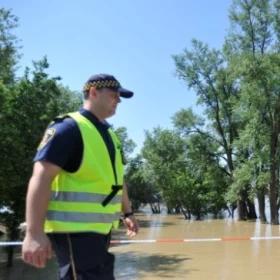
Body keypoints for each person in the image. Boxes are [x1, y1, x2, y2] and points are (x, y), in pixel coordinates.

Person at [22, 74, 139, 280]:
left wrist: (127, 213)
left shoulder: (110, 134)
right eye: (114, 95)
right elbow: (41, 177)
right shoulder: (68, 128)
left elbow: (118, 179)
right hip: (73, 232)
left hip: (100, 231)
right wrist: (34, 233)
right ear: (93, 92)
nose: (118, 100)